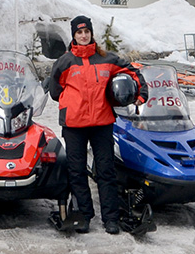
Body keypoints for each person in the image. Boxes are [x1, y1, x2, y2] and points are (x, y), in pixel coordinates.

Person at [45, 15, 144, 235]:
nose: (83, 35)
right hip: (74, 125)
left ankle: (110, 218)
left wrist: (140, 94)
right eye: (79, 32)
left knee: (106, 171)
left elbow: (133, 73)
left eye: (86, 32)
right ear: (74, 35)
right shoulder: (65, 62)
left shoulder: (106, 59)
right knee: (77, 171)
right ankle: (85, 215)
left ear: (91, 34)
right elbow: (54, 91)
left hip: (102, 123)